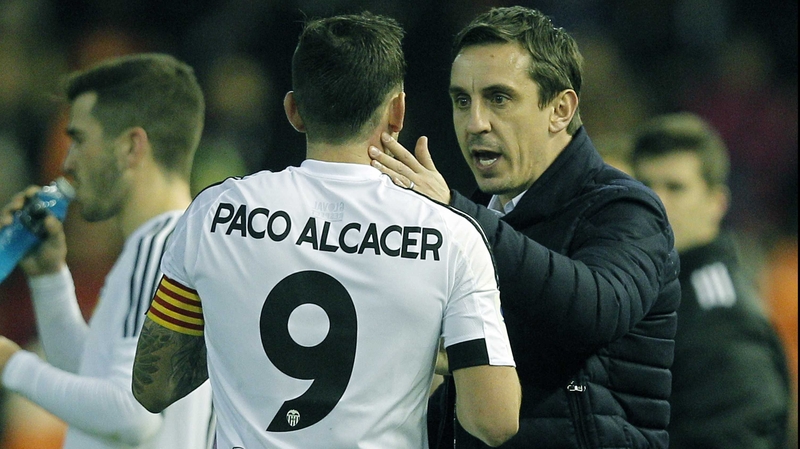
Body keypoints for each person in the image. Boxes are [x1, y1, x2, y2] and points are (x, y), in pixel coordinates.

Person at [131, 12, 521, 449]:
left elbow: (153, 387)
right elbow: (494, 421)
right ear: (397, 111)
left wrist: (235, 327)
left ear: (294, 110)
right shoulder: (450, 236)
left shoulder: (215, 214)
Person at [368, 6, 680, 448]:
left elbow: (595, 309)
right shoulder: (472, 215)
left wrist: (459, 217)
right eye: (462, 100)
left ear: (560, 109)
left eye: (499, 99)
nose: (475, 123)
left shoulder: (625, 209)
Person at [0, 53, 214, 449]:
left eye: (79, 140)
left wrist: (11, 364)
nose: (68, 161)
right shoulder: (171, 244)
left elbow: (133, 413)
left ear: (131, 147)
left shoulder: (163, 250)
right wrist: (48, 278)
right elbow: (94, 379)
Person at [630, 112, 791, 449]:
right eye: (644, 185)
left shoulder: (721, 317)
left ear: (716, 203)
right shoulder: (647, 289)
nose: (656, 201)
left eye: (675, 187)